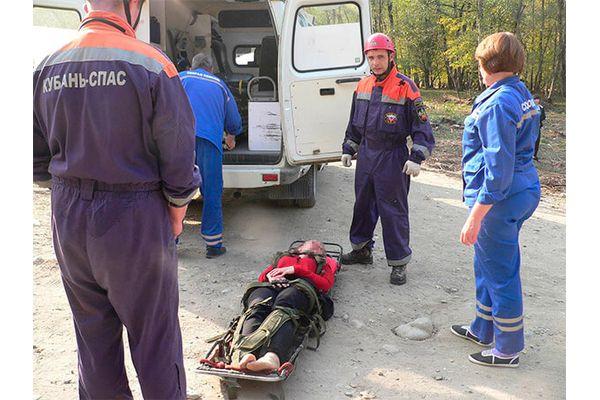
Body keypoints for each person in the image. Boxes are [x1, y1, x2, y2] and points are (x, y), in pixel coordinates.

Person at [33, 1, 200, 398]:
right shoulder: (152, 64)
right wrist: (177, 209)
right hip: (135, 216)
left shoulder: (46, 66)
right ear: (134, 6)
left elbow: (36, 159)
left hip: (69, 216)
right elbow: (178, 156)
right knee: (155, 338)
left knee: (93, 340)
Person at [452, 32, 541, 368]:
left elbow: (498, 170)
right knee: (487, 263)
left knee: (502, 271)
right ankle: (482, 327)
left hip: (501, 198)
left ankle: (507, 348)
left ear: (486, 65)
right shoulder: (518, 92)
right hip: (522, 189)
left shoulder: (498, 103)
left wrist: (476, 215)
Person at [339, 33, 435, 285]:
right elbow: (354, 125)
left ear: (391, 56)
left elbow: (423, 129)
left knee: (393, 210)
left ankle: (399, 262)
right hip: (367, 155)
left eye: (380, 56)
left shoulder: (406, 87)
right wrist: (349, 147)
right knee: (362, 205)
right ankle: (361, 250)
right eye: (371, 57)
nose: (376, 62)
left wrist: (417, 157)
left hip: (393, 157)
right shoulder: (362, 86)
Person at [225, 240, 338, 372]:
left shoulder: (322, 264)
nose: (315, 243)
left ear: (322, 253)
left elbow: (326, 284)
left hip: (299, 288)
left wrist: (296, 270)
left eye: (320, 247)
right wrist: (270, 277)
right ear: (299, 248)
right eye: (310, 242)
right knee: (258, 304)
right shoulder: (284, 257)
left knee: (285, 306)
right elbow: (262, 277)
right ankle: (245, 354)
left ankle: (273, 356)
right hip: (272, 286)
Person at [180, 52, 243, 258]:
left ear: (192, 65)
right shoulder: (220, 85)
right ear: (211, 68)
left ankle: (171, 243)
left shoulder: (179, 78)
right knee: (212, 192)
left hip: (180, 140)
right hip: (209, 142)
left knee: (177, 190)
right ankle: (213, 246)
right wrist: (231, 137)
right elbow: (233, 120)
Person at [533, 94, 546, 161]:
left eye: (537, 99)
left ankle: (535, 155)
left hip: (538, 127)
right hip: (531, 127)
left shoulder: (541, 107)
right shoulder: (530, 107)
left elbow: (544, 116)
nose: (536, 100)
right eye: (535, 99)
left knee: (537, 141)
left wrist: (539, 119)